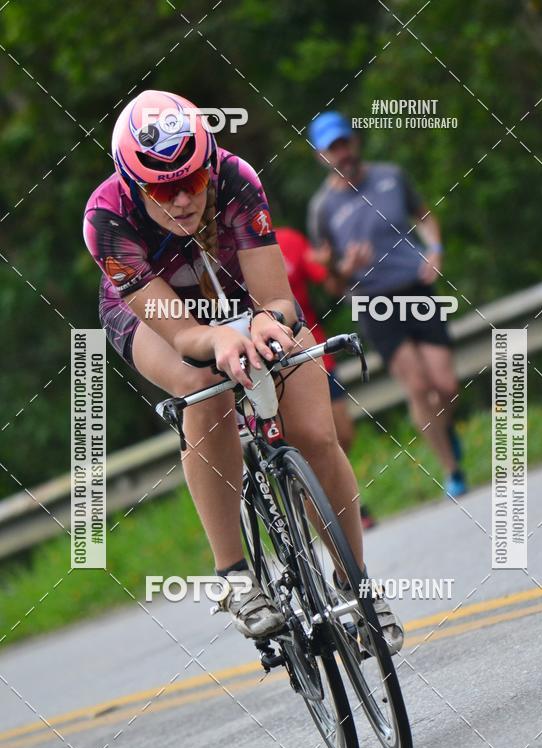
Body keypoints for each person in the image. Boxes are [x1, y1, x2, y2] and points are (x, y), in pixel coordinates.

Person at [83, 90, 403, 650]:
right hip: (160, 310)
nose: (181, 199)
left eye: (192, 182)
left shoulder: (235, 177)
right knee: (203, 386)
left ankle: (357, 585)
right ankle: (235, 577)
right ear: (134, 184)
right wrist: (220, 342)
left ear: (209, 165)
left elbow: (278, 299)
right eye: (162, 188)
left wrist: (262, 323)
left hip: (236, 289)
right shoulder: (106, 219)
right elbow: (183, 334)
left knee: (311, 432)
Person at [307, 111, 467, 498]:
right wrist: (343, 267)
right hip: (373, 302)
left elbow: (425, 215)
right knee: (417, 386)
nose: (341, 154)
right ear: (320, 156)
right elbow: (330, 280)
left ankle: (444, 430)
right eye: (332, 149)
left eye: (344, 143)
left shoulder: (391, 176)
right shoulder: (322, 208)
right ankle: (452, 469)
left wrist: (436, 249)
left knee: (446, 385)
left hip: (415, 288)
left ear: (355, 142)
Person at [276, 225, 376, 529]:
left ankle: (331, 495)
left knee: (341, 432)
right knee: (305, 442)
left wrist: (335, 265)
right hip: (265, 360)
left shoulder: (288, 239)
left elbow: (330, 281)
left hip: (311, 347)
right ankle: (325, 507)